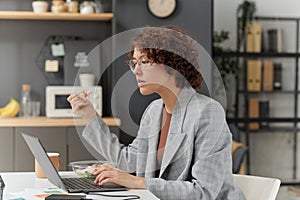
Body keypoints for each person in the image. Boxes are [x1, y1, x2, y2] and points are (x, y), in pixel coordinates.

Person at [67, 25, 245, 199]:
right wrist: (90, 117)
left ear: (173, 65)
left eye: (144, 62)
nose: (136, 70)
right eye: (134, 63)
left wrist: (140, 183)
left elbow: (203, 192)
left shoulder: (207, 113)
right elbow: (127, 161)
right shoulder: (153, 112)